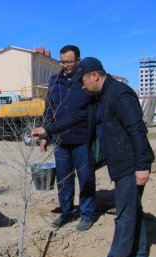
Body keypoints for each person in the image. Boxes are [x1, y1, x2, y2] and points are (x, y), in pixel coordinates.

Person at [52, 57, 154, 257]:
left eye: (83, 82)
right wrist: (48, 130)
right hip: (120, 162)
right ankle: (140, 252)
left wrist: (142, 165)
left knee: (124, 213)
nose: (82, 86)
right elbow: (78, 117)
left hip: (131, 163)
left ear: (95, 76)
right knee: (133, 207)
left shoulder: (120, 94)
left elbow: (137, 129)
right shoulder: (100, 98)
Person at [37, 45, 96, 231]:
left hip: (82, 139)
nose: (65, 65)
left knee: (86, 177)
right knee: (63, 179)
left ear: (78, 60)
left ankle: (87, 214)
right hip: (61, 140)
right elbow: (49, 109)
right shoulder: (55, 81)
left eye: (69, 62)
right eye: (62, 61)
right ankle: (66, 212)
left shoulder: (85, 80)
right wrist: (45, 134)